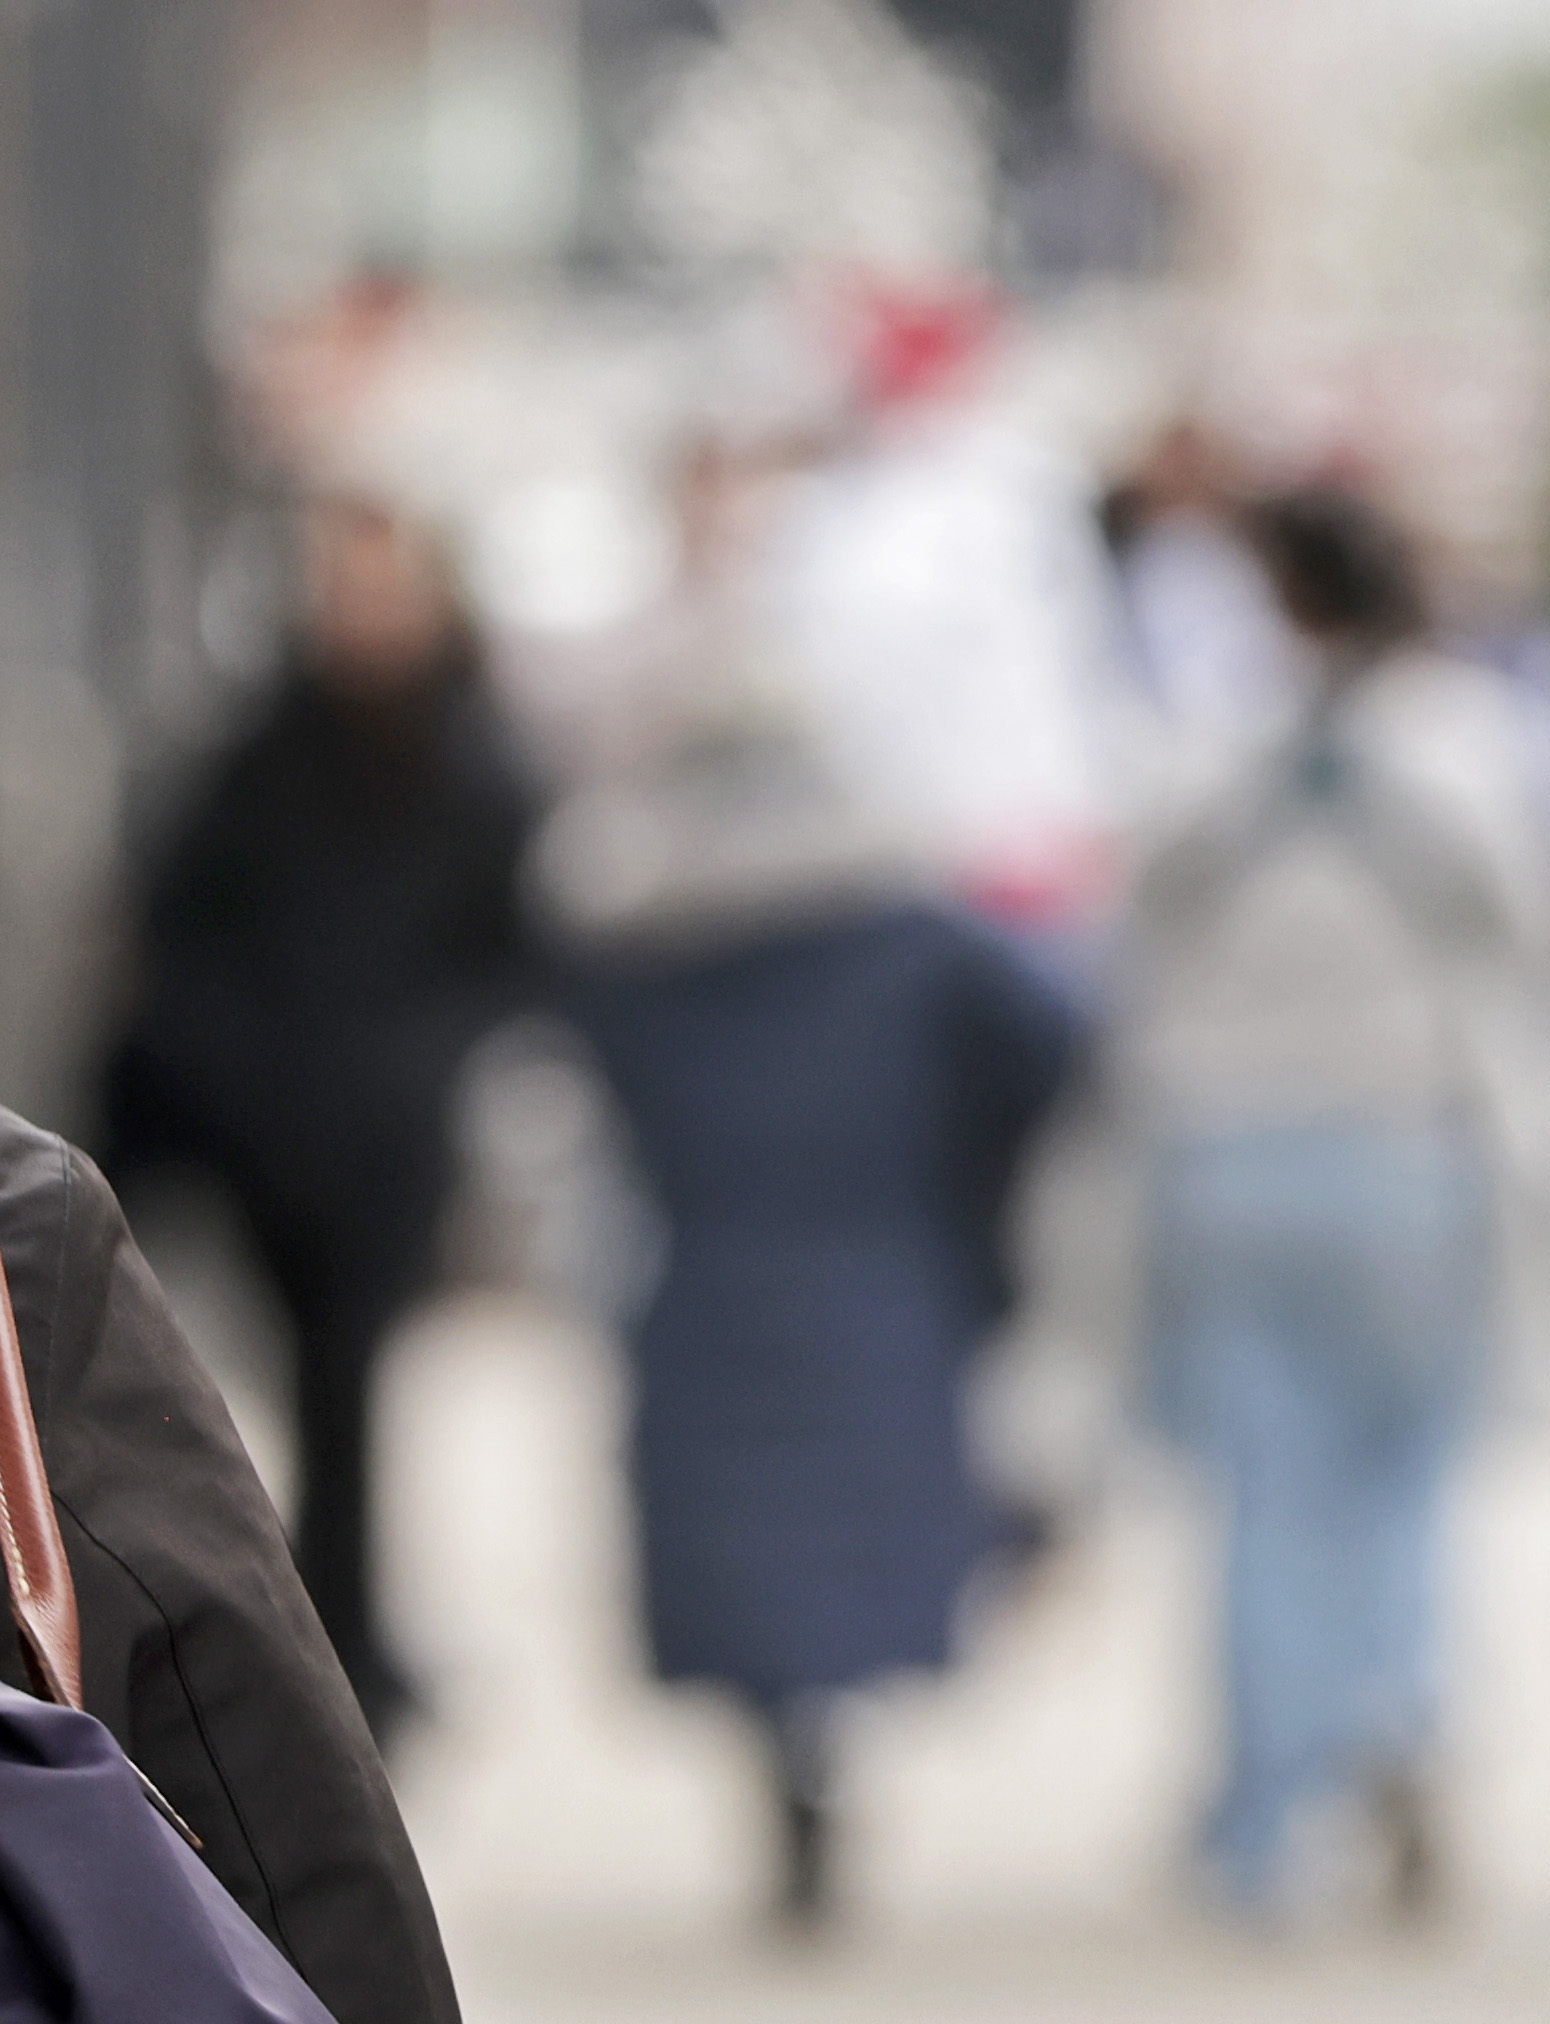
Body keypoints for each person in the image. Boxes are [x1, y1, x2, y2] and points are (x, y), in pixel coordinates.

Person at [1099, 487, 1550, 1933]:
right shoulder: (1474, 736)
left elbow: (1121, 928)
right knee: (1406, 1477)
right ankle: (1401, 1721)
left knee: (1260, 1494)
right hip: (1412, 1150)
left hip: (1224, 1153)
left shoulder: (1206, 738)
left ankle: (1262, 1821)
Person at [537, 649, 1090, 1937]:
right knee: (861, 1534)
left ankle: (787, 1776)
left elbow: (569, 1057)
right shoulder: (911, 930)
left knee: (737, 1551)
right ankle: (826, 1749)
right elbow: (1055, 1035)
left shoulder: (634, 944)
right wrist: (968, 1168)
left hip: (709, 1270)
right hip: (880, 1259)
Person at [100, 492, 536, 1726]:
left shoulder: (476, 763)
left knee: (350, 1392)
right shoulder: (257, 755)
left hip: (386, 1145)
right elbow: (180, 933)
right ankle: (322, 1637)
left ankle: (344, 1642)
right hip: (264, 1136)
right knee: (287, 1393)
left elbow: (505, 958)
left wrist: (414, 1074)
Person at [0, 1107, 461, 2024]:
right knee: (342, 1385)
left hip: (260, 1084)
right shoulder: (17, 1213)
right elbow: (239, 1746)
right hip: (345, 1102)